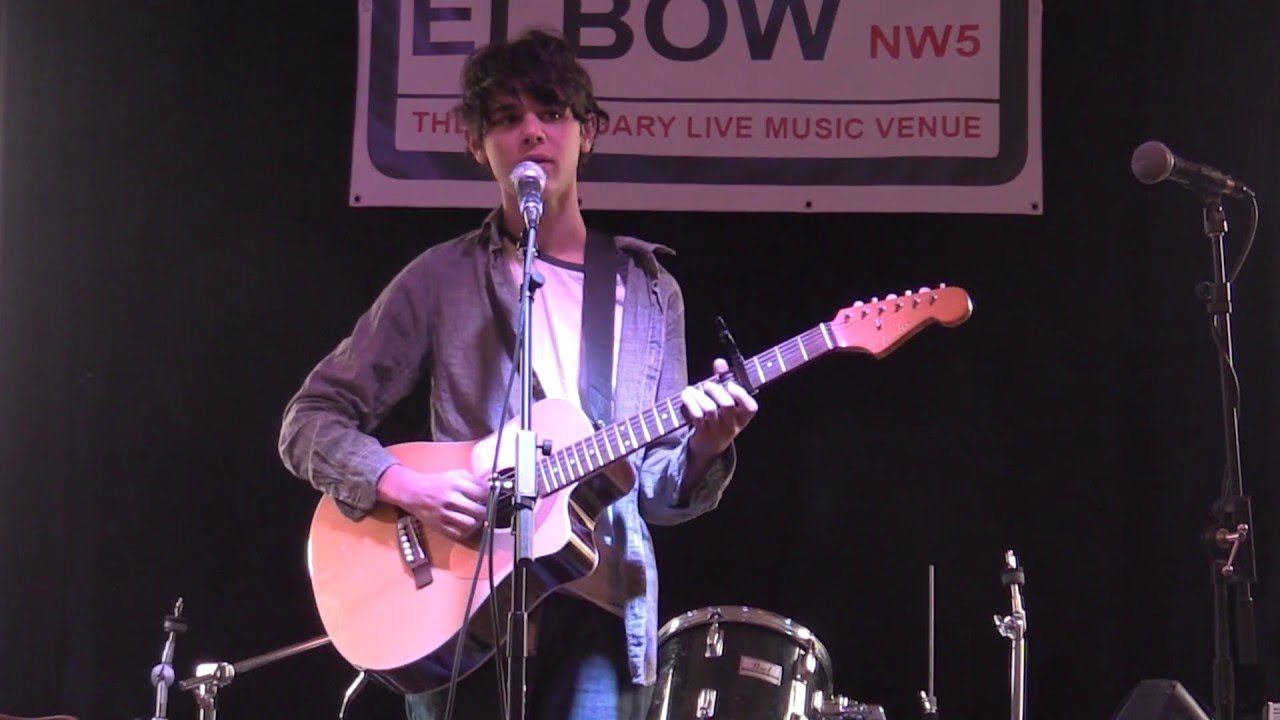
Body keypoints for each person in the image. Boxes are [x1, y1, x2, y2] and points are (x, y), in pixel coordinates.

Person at [277, 28, 758, 720]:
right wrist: (406, 487)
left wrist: (709, 444)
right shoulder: (442, 278)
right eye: (506, 118)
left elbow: (652, 488)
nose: (532, 131)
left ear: (587, 132)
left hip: (599, 617)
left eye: (552, 112)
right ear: (479, 146)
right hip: (460, 609)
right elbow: (309, 421)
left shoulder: (649, 291)